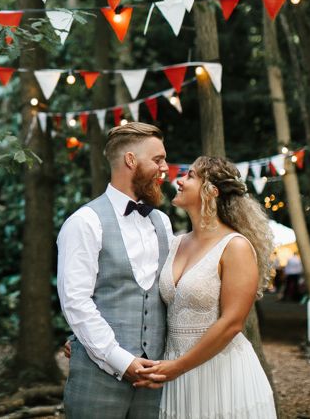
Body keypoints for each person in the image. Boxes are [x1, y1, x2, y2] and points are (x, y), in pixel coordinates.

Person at [135, 156, 277, 418]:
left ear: (211, 191)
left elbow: (232, 323)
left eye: (189, 176)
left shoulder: (235, 246)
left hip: (223, 375)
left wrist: (178, 366)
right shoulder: (175, 243)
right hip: (176, 376)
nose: (178, 180)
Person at [57, 122, 174, 419]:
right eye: (157, 159)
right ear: (131, 160)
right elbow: (76, 302)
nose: (165, 168)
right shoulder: (84, 222)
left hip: (154, 382)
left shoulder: (163, 222)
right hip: (98, 379)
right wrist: (122, 361)